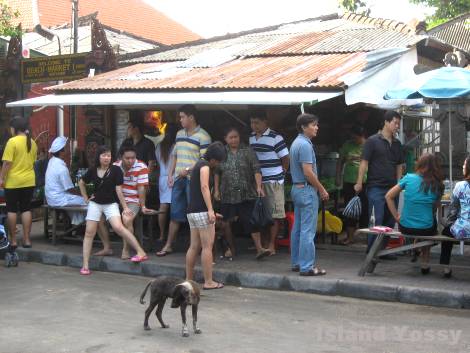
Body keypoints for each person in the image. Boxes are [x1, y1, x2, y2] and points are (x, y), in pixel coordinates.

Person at [78, 146, 147, 275]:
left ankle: (141, 251)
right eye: (104, 155)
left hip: (111, 204)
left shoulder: (116, 170)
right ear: (99, 156)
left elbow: (118, 190)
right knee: (89, 232)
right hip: (95, 203)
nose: (106, 158)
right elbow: (81, 182)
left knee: (118, 227)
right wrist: (86, 198)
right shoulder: (93, 170)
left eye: (109, 155)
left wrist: (125, 207)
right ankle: (85, 265)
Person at [157, 105, 211, 256]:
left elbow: (204, 160)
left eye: (182, 117)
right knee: (175, 213)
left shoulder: (203, 136)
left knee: (194, 213)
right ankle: (168, 245)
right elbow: (175, 154)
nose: (180, 120)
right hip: (178, 179)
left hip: (193, 181)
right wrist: (170, 174)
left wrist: (186, 170)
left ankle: (198, 248)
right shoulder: (179, 134)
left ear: (191, 117)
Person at [45, 136, 112, 256]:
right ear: (62, 151)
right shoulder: (60, 167)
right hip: (59, 199)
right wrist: (83, 195)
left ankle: (79, 227)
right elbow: (70, 189)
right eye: (66, 148)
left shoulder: (52, 162)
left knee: (88, 201)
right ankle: (88, 231)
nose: (68, 150)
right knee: (93, 205)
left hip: (53, 197)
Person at [214, 127, 270, 260]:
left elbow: (256, 169)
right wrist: (216, 189)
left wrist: (258, 186)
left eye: (236, 137)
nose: (234, 140)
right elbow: (216, 172)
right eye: (231, 137)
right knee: (226, 223)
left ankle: (259, 249)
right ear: (225, 139)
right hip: (227, 194)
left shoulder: (248, 151)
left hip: (246, 193)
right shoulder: (221, 153)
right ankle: (230, 249)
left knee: (251, 221)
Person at [354, 110, 404, 256]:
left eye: (398, 124)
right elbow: (364, 162)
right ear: (386, 122)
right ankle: (371, 252)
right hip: (375, 187)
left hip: (392, 188)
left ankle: (382, 251)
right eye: (395, 123)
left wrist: (399, 184)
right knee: (377, 220)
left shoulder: (397, 143)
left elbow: (399, 165)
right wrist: (359, 182)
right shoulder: (372, 141)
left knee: (389, 221)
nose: (397, 126)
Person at [385, 153, 443, 274]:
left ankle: (417, 247)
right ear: (435, 167)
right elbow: (434, 209)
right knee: (430, 225)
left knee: (422, 223)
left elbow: (388, 196)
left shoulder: (408, 178)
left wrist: (397, 217)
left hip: (405, 227)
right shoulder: (438, 185)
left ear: (420, 164)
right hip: (426, 228)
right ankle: (425, 263)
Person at [289, 114, 329, 276]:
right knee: (307, 230)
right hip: (306, 190)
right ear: (304, 127)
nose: (316, 127)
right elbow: (308, 172)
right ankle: (307, 266)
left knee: (298, 228)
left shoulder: (296, 143)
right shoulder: (305, 145)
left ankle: (297, 262)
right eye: (313, 125)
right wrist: (321, 189)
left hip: (296, 189)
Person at [185, 142, 226, 290]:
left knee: (193, 246)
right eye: (218, 161)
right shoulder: (205, 166)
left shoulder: (197, 164)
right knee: (207, 247)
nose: (218, 164)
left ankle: (189, 279)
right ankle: (208, 281)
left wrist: (212, 211)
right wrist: (210, 210)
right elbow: (204, 187)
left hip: (192, 211)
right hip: (202, 211)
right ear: (214, 159)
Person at [249, 110, 289, 255]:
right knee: (261, 214)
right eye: (252, 123)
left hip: (273, 181)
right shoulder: (251, 138)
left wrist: (282, 172)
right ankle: (263, 243)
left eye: (257, 123)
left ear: (265, 122)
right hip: (258, 181)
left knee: (275, 215)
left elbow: (285, 158)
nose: (254, 126)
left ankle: (272, 244)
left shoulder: (276, 137)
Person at [0, 116, 37, 249]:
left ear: (14, 128)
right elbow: (33, 162)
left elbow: (7, 163)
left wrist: (1, 178)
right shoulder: (32, 142)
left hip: (14, 181)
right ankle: (27, 240)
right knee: (26, 208)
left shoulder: (12, 141)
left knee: (12, 210)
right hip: (29, 180)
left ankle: (14, 241)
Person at [114, 144, 153, 259]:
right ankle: (106, 247)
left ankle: (125, 249)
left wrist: (143, 205)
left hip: (133, 199)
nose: (131, 160)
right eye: (127, 158)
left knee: (127, 219)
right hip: (116, 199)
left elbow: (141, 188)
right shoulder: (115, 166)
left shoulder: (141, 166)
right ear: (121, 157)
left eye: (133, 158)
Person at [336, 125, 368, 245]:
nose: (355, 140)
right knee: (350, 209)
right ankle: (350, 237)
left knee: (365, 209)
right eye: (353, 137)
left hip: (366, 182)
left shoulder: (369, 145)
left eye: (357, 138)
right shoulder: (347, 145)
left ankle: (366, 238)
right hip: (349, 181)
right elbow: (340, 161)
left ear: (362, 136)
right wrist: (338, 176)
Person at [439, 156, 470, 278]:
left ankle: (445, 267)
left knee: (446, 232)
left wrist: (448, 222)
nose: (463, 167)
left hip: (463, 229)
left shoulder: (460, 186)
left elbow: (453, 209)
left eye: (464, 165)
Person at [155, 123, 178, 242]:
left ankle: (161, 234)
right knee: (175, 207)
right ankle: (172, 235)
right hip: (173, 177)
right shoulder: (176, 146)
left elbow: (158, 163)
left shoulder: (159, 146)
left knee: (163, 206)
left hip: (162, 178)